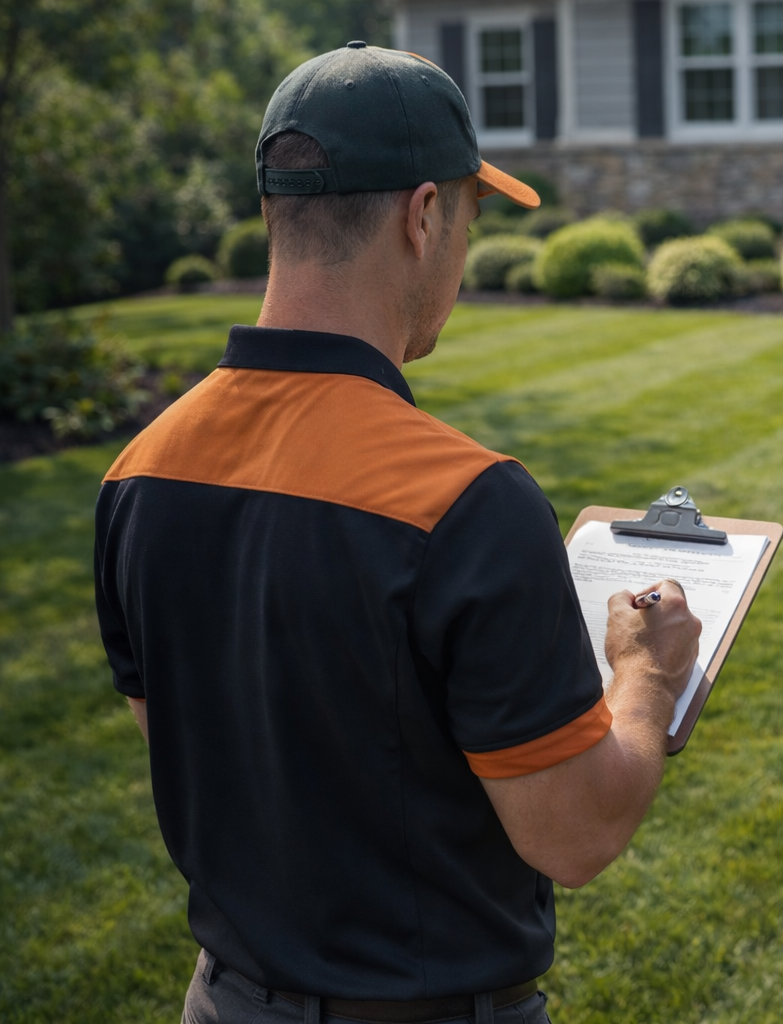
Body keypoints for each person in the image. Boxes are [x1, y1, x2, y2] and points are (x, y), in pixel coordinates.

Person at [93, 42, 702, 1024]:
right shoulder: (469, 500)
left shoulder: (138, 473)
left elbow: (203, 752)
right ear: (425, 216)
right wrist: (647, 672)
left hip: (221, 1002)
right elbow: (576, 834)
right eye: (469, 213)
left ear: (273, 213)